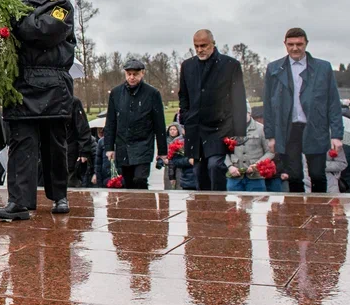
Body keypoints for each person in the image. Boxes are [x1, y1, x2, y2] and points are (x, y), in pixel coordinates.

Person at [0, 0, 79, 219]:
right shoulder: (16, 6)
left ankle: (59, 196)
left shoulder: (62, 7)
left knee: (55, 146)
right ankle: (19, 201)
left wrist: (19, 22)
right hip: (22, 84)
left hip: (53, 84)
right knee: (22, 145)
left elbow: (44, 31)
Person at [262, 27, 343, 193]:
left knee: (317, 174)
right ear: (285, 44)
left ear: (306, 44)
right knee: (294, 175)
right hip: (288, 128)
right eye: (290, 44)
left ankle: (320, 213)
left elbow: (333, 102)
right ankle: (298, 214)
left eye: (299, 44)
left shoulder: (323, 68)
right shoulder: (274, 69)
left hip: (314, 126)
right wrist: (270, 136)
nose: (295, 48)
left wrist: (336, 134)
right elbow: (268, 105)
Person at [178, 29, 248, 191]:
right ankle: (204, 208)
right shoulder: (187, 66)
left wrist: (239, 131)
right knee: (198, 170)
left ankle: (218, 202)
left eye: (203, 45)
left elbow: (238, 98)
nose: (200, 50)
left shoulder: (230, 65)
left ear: (213, 44)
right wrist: (186, 116)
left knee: (215, 166)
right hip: (195, 126)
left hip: (220, 127)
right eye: (196, 46)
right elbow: (184, 95)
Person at [103, 58, 168, 189]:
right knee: (127, 182)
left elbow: (159, 123)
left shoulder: (152, 94)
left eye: (135, 74)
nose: (132, 77)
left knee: (140, 179)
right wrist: (109, 147)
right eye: (129, 74)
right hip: (123, 145)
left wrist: (162, 151)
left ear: (142, 73)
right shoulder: (116, 93)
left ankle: (144, 206)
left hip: (143, 144)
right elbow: (111, 121)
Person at [224, 108, 276, 192]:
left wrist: (257, 165)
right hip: (234, 178)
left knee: (258, 204)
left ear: (249, 112)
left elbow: (270, 152)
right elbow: (222, 151)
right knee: (232, 204)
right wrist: (230, 166)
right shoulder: (228, 129)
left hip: (256, 178)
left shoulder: (261, 129)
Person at [163, 123, 184, 189]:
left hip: (178, 165)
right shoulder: (165, 141)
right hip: (168, 165)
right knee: (168, 186)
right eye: (170, 129)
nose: (172, 131)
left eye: (174, 129)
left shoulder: (181, 140)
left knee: (179, 185)